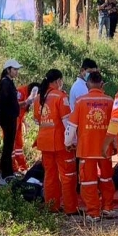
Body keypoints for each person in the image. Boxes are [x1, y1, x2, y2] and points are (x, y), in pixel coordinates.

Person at [65, 70, 115, 218]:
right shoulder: (110, 101)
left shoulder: (80, 102)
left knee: (88, 182)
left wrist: (68, 142)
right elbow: (116, 126)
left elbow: (71, 126)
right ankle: (108, 208)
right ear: (102, 84)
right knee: (107, 178)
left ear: (87, 84)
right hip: (106, 150)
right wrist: (116, 145)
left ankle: (93, 213)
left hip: (86, 150)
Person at [34, 68, 78, 214]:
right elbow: (67, 123)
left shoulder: (38, 97)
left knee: (50, 175)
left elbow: (37, 121)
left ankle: (51, 206)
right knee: (68, 176)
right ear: (58, 81)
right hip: (61, 143)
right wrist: (72, 141)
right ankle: (71, 208)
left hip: (44, 142)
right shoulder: (60, 97)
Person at [0, 59, 23, 184]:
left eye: (17, 69)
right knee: (7, 146)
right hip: (7, 118)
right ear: (8, 70)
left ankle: (9, 172)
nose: (17, 72)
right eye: (15, 69)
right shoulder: (5, 83)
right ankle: (5, 175)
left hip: (11, 117)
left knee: (9, 146)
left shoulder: (9, 82)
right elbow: (1, 103)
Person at [13, 82, 38, 173]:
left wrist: (24, 121)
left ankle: (22, 167)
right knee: (12, 145)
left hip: (19, 119)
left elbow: (22, 110)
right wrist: (26, 101)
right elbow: (14, 105)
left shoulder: (29, 93)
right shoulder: (21, 92)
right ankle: (13, 168)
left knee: (19, 145)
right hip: (12, 119)